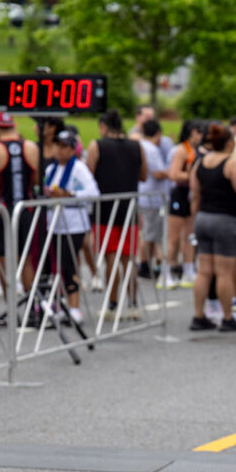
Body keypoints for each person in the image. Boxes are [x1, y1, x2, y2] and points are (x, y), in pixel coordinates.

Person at [86, 109, 148, 321]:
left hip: (106, 209)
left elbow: (88, 175)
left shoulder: (97, 146)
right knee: (128, 258)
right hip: (129, 207)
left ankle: (112, 304)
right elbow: (144, 174)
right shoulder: (137, 145)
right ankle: (132, 303)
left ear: (103, 126)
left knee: (111, 256)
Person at [187, 123, 236, 332]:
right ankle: (227, 317)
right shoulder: (232, 163)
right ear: (229, 143)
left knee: (204, 271)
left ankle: (198, 315)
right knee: (224, 272)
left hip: (203, 218)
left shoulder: (200, 162)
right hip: (225, 219)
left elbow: (195, 195)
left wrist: (195, 220)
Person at [0, 111, 40, 299]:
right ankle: (31, 306)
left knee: (4, 261)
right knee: (26, 259)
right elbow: (36, 181)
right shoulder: (31, 147)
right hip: (25, 210)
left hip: (0, 211)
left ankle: (11, 307)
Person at [42, 129, 100, 325]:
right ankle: (61, 305)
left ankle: (74, 307)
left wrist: (70, 195)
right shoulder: (51, 169)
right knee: (56, 266)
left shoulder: (79, 168)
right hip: (54, 222)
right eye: (57, 146)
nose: (60, 150)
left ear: (72, 149)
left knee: (68, 265)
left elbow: (93, 192)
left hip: (73, 223)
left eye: (64, 147)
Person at [165, 119, 203, 290]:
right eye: (199, 132)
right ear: (192, 132)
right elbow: (173, 174)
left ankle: (188, 269)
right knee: (173, 237)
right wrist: (193, 176)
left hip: (191, 195)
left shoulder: (196, 150)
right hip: (180, 194)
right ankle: (166, 272)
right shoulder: (181, 150)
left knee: (190, 236)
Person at [137, 119, 170, 280]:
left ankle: (149, 264)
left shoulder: (140, 145)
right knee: (150, 233)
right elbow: (157, 173)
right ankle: (145, 265)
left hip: (144, 195)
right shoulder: (152, 149)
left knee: (149, 232)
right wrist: (170, 172)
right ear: (158, 133)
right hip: (152, 197)